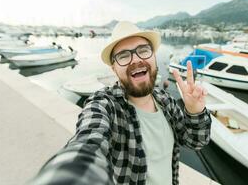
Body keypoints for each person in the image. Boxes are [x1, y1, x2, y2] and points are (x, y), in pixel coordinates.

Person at [29, 21, 211, 185]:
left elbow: (195, 142)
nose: (136, 59)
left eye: (143, 50)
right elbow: (88, 143)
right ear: (114, 68)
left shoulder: (166, 101)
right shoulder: (105, 106)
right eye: (123, 56)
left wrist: (195, 111)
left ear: (153, 57)